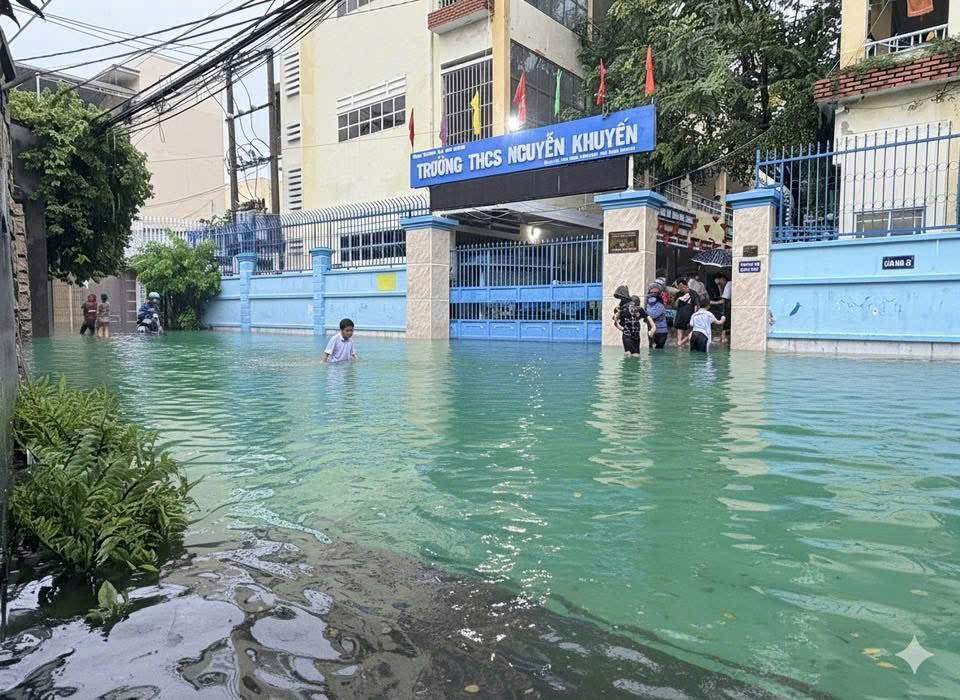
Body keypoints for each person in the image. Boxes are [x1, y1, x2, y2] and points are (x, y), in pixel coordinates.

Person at [673, 278, 698, 346]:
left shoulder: (693, 293)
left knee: (689, 331)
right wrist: (678, 299)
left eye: (682, 286)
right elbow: (674, 305)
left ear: (686, 285)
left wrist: (695, 315)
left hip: (690, 315)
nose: (681, 288)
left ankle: (685, 343)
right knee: (680, 330)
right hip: (680, 315)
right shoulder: (678, 294)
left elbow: (696, 304)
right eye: (679, 287)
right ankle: (680, 344)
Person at [645, 285, 669, 349]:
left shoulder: (660, 305)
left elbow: (653, 315)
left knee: (658, 350)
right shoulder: (647, 305)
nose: (653, 294)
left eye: (655, 293)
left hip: (661, 332)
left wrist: (645, 313)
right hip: (652, 332)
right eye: (652, 292)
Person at [718, 272, 732, 343]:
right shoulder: (728, 284)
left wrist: (712, 302)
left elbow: (724, 299)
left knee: (726, 322)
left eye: (720, 280)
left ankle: (723, 338)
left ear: (723, 279)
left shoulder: (729, 283)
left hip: (729, 307)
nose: (719, 282)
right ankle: (723, 338)